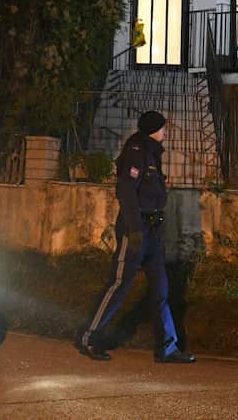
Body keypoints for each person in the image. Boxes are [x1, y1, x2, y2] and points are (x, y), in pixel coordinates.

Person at [79, 110, 195, 363]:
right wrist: (133, 230)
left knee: (161, 291)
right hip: (136, 230)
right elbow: (126, 192)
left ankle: (168, 348)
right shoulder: (136, 152)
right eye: (163, 128)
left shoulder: (152, 153)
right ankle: (90, 337)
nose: (166, 132)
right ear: (154, 129)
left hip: (153, 232)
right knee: (119, 285)